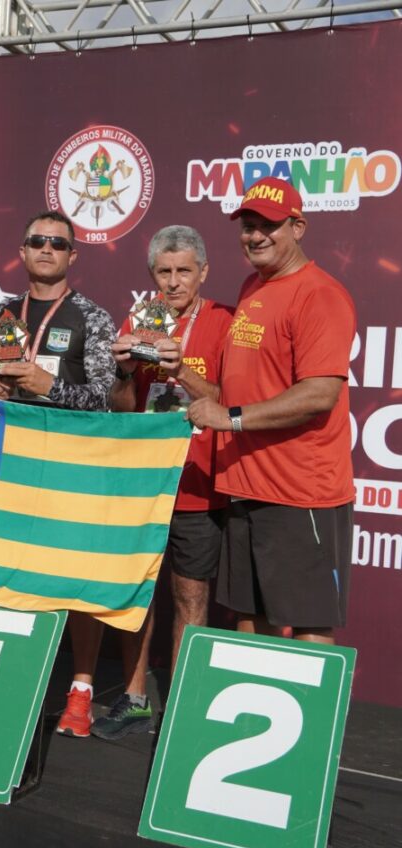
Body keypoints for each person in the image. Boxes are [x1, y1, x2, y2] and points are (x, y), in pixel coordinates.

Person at [187, 176, 356, 645]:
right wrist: (178, 369)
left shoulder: (319, 294)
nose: (256, 235)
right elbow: (241, 389)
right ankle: (249, 719)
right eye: (248, 225)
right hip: (246, 482)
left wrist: (232, 418)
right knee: (248, 614)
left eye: (270, 225)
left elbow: (320, 393)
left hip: (300, 490)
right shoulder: (252, 286)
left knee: (307, 620)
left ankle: (308, 720)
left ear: (298, 227)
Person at [89, 225, 233, 740]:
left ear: (203, 272)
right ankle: (133, 699)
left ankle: (186, 708)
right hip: (142, 481)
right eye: (164, 272)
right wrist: (126, 371)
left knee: (191, 597)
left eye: (184, 271)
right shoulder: (139, 321)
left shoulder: (223, 322)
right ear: (153, 274)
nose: (174, 282)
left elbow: (226, 399)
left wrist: (182, 370)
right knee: (138, 593)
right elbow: (122, 409)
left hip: (197, 482)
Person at [0, 209, 116, 737]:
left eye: (58, 244)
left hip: (71, 469)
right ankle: (10, 680)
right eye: (37, 241)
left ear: (72, 256)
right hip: (10, 465)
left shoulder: (93, 317)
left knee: (76, 584)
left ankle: (80, 691)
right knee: (10, 573)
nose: (46, 250)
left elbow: (109, 399)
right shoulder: (3, 313)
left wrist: (47, 386)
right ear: (22, 250)